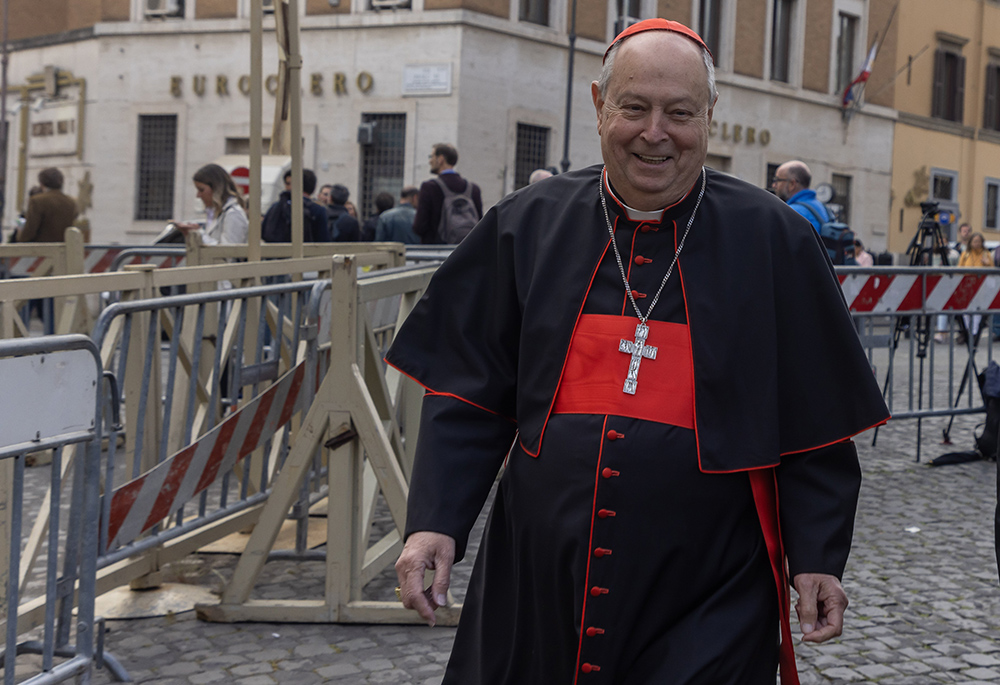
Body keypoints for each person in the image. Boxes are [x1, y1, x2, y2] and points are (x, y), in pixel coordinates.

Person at [388, 18, 890, 685]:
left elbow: (816, 424)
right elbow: (469, 395)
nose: (656, 132)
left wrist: (817, 556)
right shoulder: (527, 224)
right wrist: (435, 522)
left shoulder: (774, 241)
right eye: (635, 107)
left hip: (710, 585)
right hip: (540, 577)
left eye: (680, 112)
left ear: (709, 117)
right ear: (600, 106)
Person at [412, 143, 483, 244]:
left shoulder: (429, 187)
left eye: (431, 156)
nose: (429, 161)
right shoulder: (473, 189)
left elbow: (419, 227)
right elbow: (480, 224)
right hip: (464, 252)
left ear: (440, 159)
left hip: (435, 253)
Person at [176, 164, 249, 245]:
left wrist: (198, 234)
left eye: (201, 190)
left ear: (216, 188)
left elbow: (228, 253)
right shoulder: (218, 213)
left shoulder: (233, 214)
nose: (198, 195)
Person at [261, 169, 331, 242]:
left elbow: (263, 232)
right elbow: (323, 240)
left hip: (275, 251)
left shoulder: (275, 207)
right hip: (305, 251)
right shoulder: (318, 210)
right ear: (314, 187)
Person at [15, 167, 78, 243]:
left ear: (42, 183)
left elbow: (29, 231)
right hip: (64, 248)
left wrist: (20, 235)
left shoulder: (37, 201)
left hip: (41, 249)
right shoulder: (70, 202)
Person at [771, 160, 831, 233]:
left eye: (778, 180)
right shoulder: (821, 207)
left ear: (792, 184)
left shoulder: (792, 212)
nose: (774, 185)